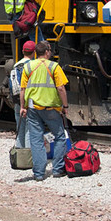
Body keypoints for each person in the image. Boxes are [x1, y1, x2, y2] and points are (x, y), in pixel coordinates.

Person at [19, 41, 69, 181]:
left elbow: (23, 89)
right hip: (51, 108)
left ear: (36, 53)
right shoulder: (54, 67)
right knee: (59, 136)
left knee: (36, 140)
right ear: (47, 52)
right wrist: (65, 107)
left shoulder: (28, 66)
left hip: (33, 108)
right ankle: (58, 169)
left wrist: (23, 107)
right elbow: (61, 88)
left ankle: (39, 174)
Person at [9, 40, 36, 149]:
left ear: (22, 51)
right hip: (28, 101)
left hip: (17, 101)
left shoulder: (16, 65)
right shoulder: (32, 65)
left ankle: (20, 154)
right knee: (29, 129)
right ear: (34, 52)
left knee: (20, 127)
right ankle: (28, 155)